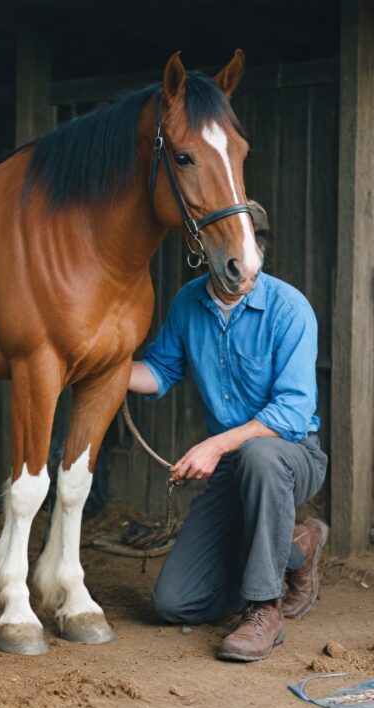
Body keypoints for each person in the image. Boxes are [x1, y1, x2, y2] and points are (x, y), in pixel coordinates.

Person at [127, 201, 328, 662]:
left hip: (291, 455)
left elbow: (293, 413)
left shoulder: (289, 308)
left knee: (259, 455)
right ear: (209, 251)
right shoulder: (188, 303)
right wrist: (104, 366)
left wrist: (216, 444)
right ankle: (295, 547)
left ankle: (264, 610)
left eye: (255, 246)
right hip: (233, 469)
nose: (247, 258)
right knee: (173, 603)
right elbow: (157, 371)